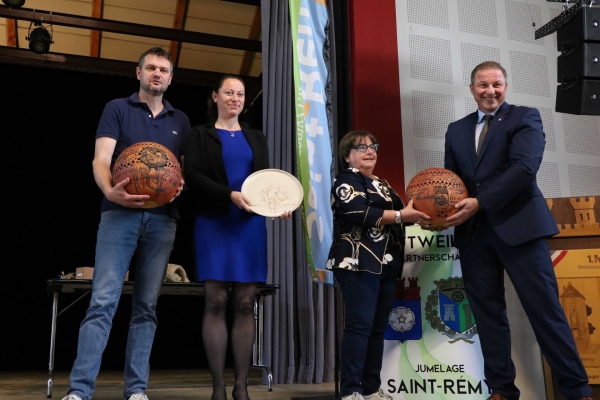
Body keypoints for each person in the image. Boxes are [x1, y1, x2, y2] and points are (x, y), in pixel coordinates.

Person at [439, 61, 592, 400]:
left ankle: (576, 389)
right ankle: (501, 389)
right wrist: (437, 208)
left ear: (505, 86)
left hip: (520, 228)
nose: (490, 91)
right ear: (472, 88)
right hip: (474, 234)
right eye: (483, 85)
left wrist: (480, 202)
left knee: (545, 310)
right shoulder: (456, 129)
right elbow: (451, 182)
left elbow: (524, 168)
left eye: (496, 84)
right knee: (488, 315)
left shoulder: (525, 118)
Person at [62, 47, 190, 400]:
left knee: (146, 307)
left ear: (170, 77)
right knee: (103, 301)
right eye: (151, 67)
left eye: (163, 69)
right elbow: (101, 158)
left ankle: (136, 390)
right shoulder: (116, 108)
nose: (157, 74)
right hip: (119, 215)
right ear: (138, 73)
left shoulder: (180, 119)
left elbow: (178, 170)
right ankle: (80, 390)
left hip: (163, 221)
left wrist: (178, 186)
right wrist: (109, 190)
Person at [184, 75, 291, 400]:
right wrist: (229, 195)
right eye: (228, 92)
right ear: (215, 96)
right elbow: (194, 176)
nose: (235, 97)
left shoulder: (256, 137)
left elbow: (266, 180)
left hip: (248, 227)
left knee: (245, 304)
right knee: (216, 300)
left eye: (240, 93)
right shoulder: (198, 134)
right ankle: (218, 387)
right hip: (213, 222)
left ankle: (241, 387)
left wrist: (278, 205)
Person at [326, 131, 431, 400]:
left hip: (387, 264)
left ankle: (371, 389)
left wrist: (427, 214)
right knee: (359, 327)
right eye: (361, 147)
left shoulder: (382, 183)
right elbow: (357, 212)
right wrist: (400, 215)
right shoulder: (346, 178)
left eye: (373, 145)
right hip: (357, 261)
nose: (369, 150)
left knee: (375, 329)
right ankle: (350, 391)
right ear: (347, 155)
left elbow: (402, 215)